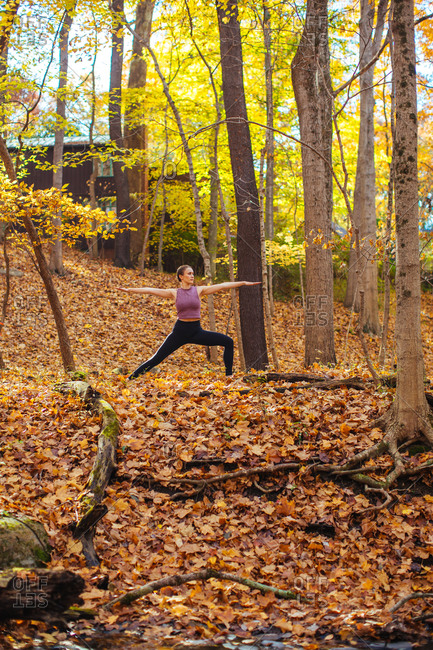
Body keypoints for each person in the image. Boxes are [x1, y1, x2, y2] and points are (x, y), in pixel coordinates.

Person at [119, 265, 260, 379]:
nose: (192, 276)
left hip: (196, 331)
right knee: (156, 358)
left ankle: (229, 375)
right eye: (189, 273)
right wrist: (129, 290)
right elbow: (150, 290)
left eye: (193, 273)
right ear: (181, 276)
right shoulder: (174, 293)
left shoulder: (199, 290)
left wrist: (242, 283)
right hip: (180, 332)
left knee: (228, 342)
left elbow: (222, 286)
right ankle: (131, 378)